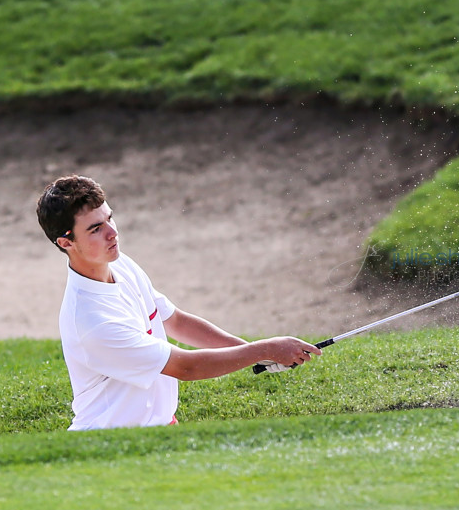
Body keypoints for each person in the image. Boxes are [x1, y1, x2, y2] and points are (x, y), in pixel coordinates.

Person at [36, 175, 319, 431]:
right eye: (96, 229)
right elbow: (185, 367)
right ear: (66, 243)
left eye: (110, 218)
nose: (113, 233)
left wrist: (248, 350)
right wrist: (264, 349)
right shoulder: (92, 321)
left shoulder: (120, 264)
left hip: (159, 429)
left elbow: (175, 321)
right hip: (106, 444)